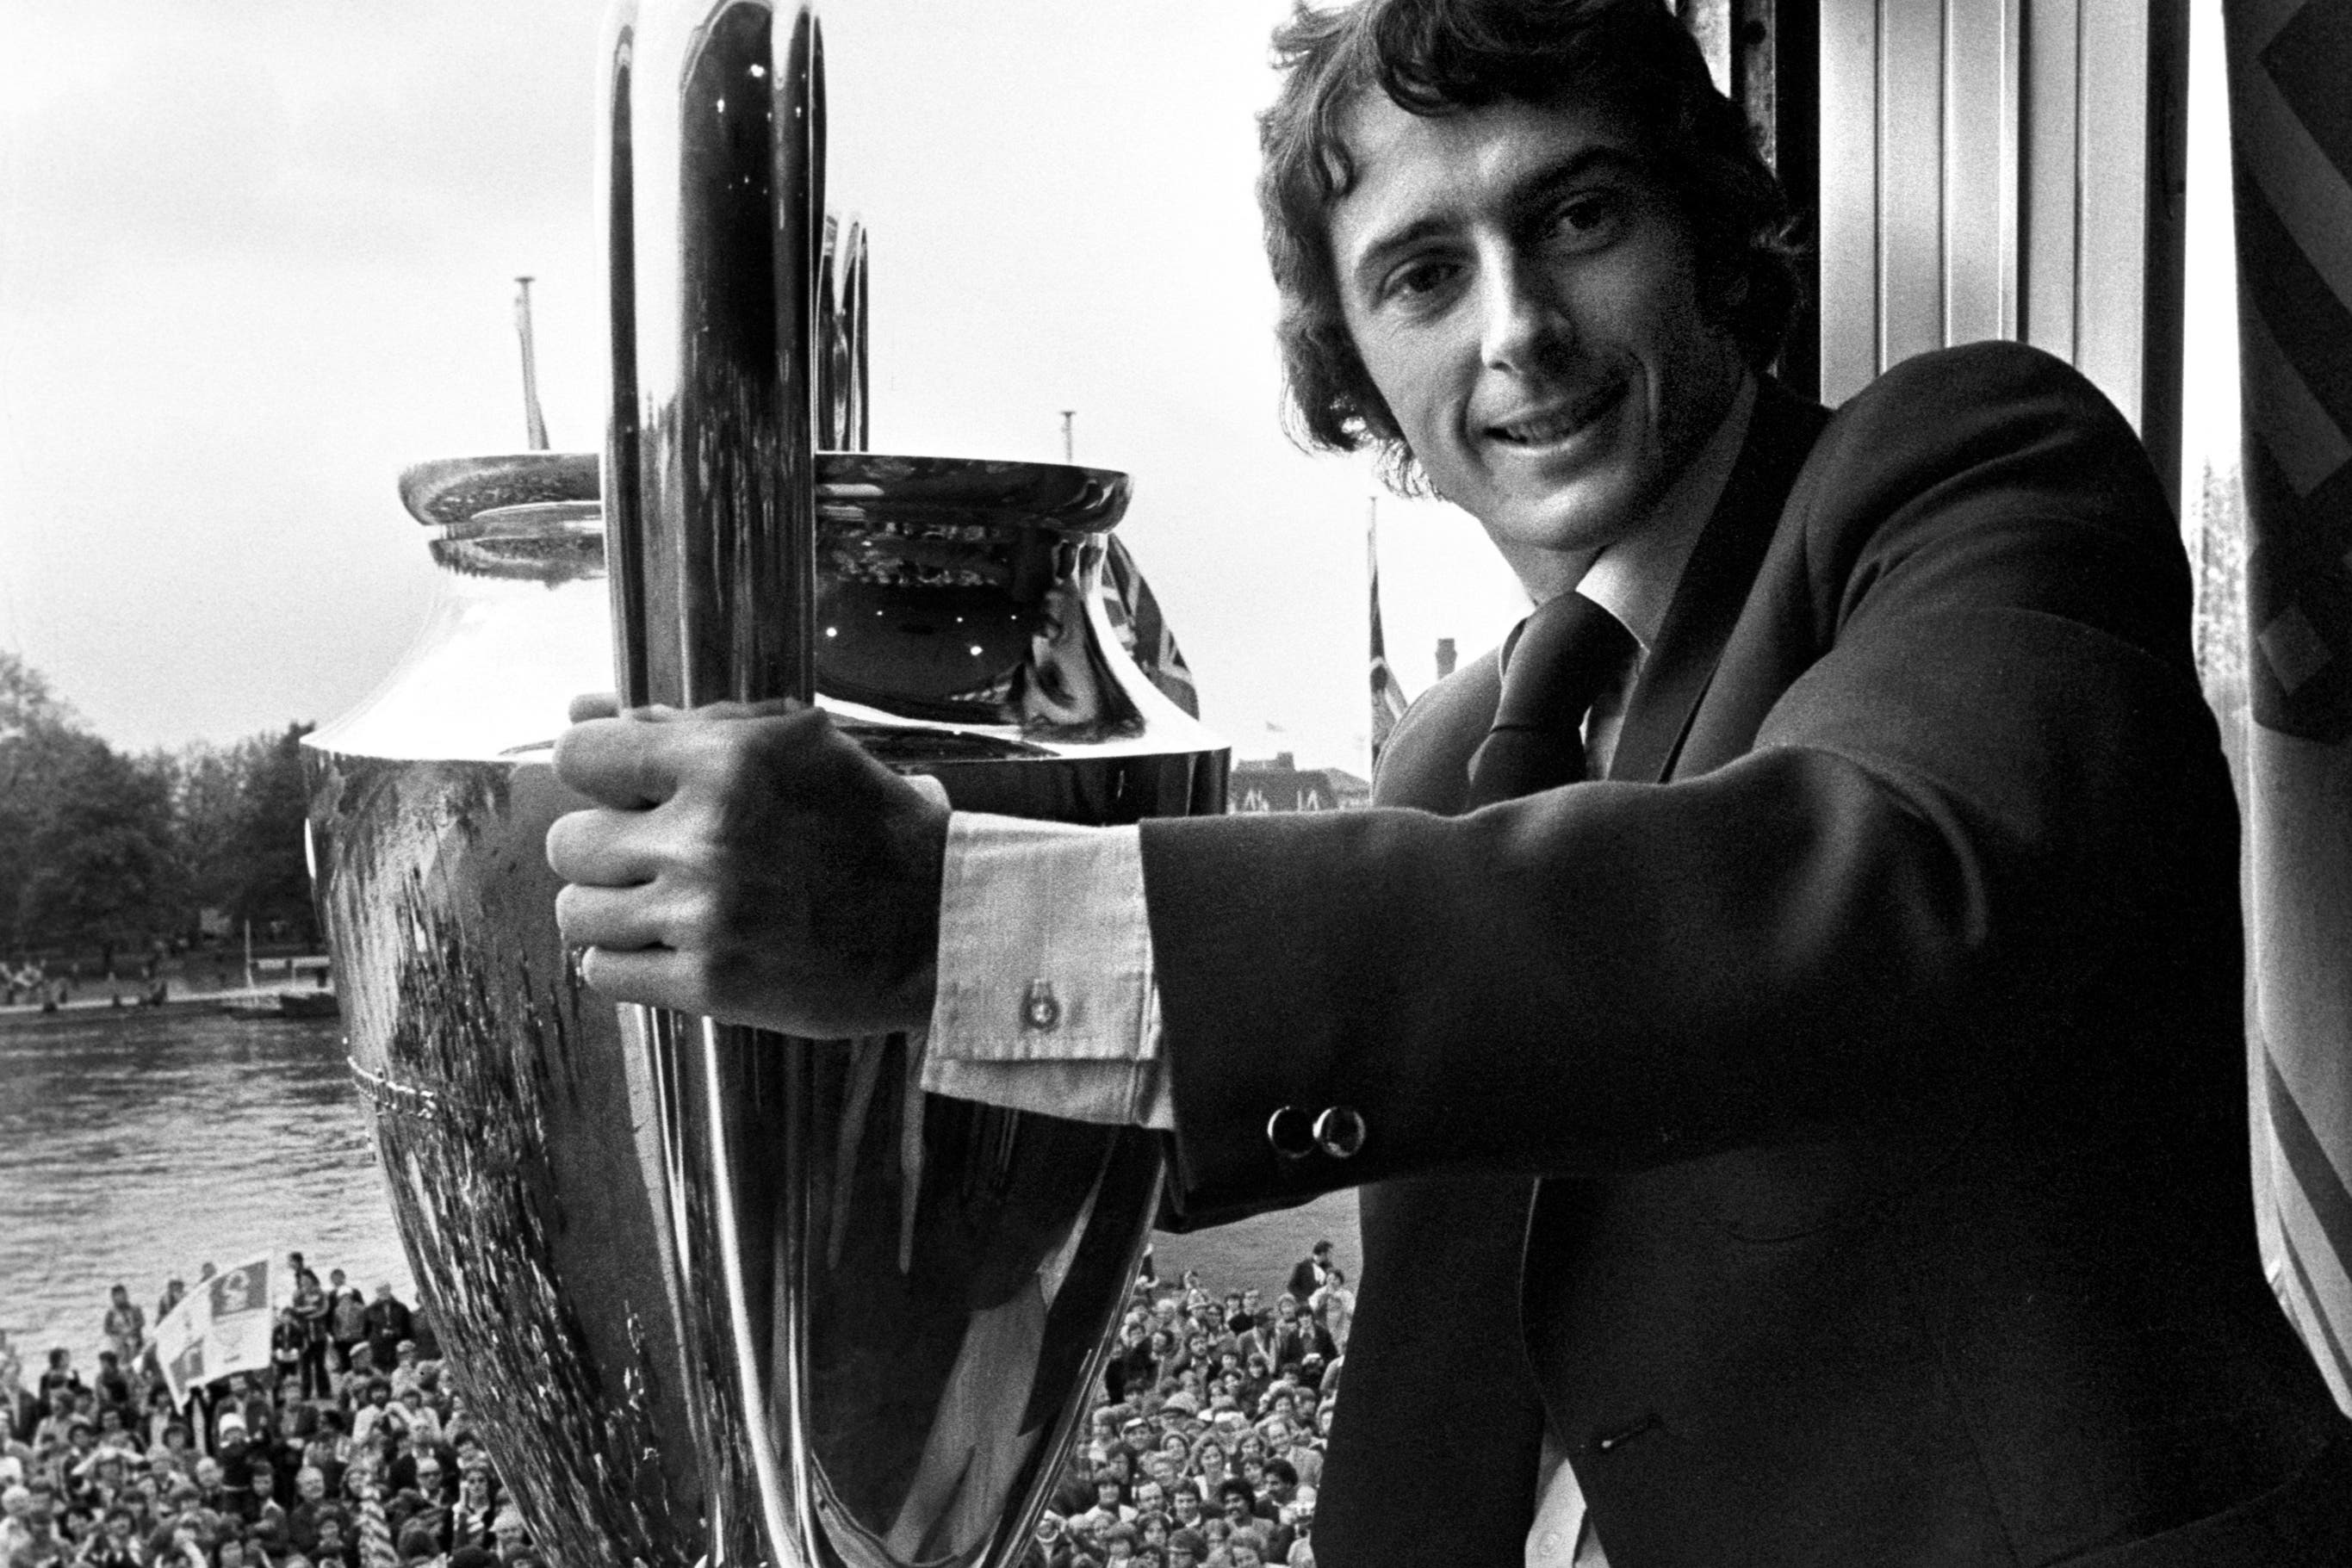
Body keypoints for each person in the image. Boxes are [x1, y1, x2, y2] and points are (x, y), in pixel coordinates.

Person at [544, 0, 2352, 1561]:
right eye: (1420, 274)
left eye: (1575, 215)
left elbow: (1885, 886)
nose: (1515, 332)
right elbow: (1440, 1390)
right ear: (1357, 375)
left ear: (1718, 238)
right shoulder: (1445, 757)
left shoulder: (1966, 471)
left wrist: (950, 917)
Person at [1282, 1243, 1331, 1309]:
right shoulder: (1302, 1267)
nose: (1331, 1256)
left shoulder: (1328, 1267)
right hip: (1306, 1306)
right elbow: (1292, 1286)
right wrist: (1305, 1299)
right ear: (1323, 1254)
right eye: (1329, 1253)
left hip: (1323, 1306)